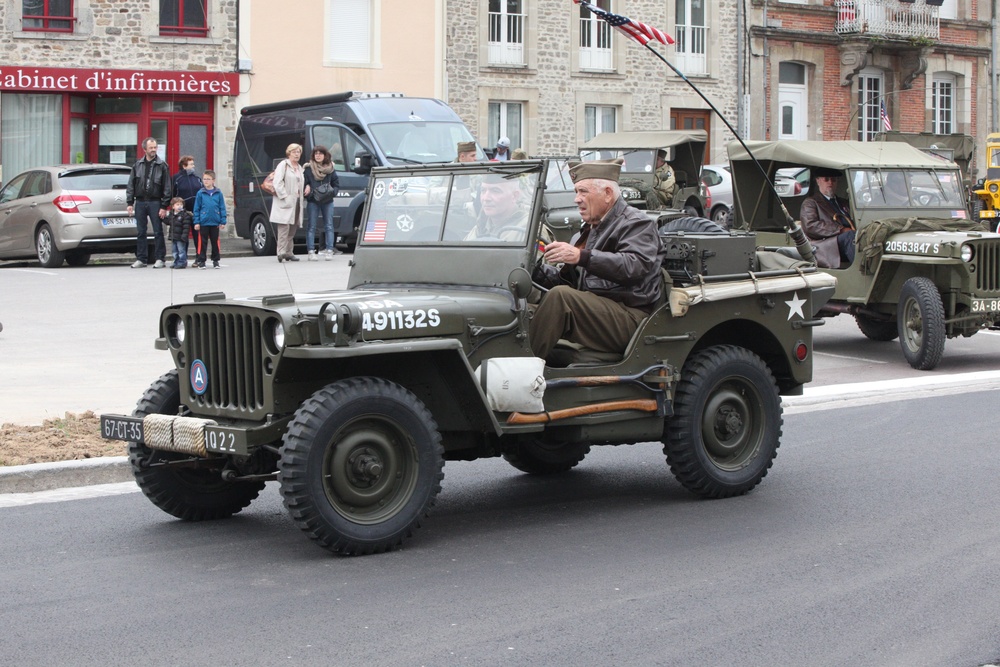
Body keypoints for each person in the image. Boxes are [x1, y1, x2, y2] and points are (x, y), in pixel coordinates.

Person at [529, 158, 664, 360]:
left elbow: (634, 266)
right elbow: (572, 282)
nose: (577, 199)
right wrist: (533, 269)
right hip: (599, 311)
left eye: (583, 192)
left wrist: (581, 256)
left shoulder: (636, 224)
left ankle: (521, 369)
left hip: (630, 317)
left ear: (608, 194)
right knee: (520, 308)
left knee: (560, 298)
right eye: (576, 192)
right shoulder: (588, 231)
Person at [126, 137, 171, 268]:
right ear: (144, 149)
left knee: (158, 231)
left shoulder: (162, 165)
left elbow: (167, 187)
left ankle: (160, 258)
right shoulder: (137, 165)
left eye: (155, 147)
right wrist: (129, 203)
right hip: (140, 202)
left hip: (155, 202)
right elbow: (131, 185)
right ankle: (141, 259)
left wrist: (164, 205)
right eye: (151, 147)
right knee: (141, 232)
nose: (153, 150)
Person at [800, 168, 856, 269]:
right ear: (818, 181)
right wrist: (841, 230)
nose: (830, 182)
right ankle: (861, 271)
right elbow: (810, 226)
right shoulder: (811, 203)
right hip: (825, 244)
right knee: (850, 236)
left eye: (833, 180)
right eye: (826, 179)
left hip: (847, 239)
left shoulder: (844, 203)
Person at [269, 143, 306, 262]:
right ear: (289, 153)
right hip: (285, 201)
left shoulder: (299, 168)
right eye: (294, 151)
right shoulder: (283, 165)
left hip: (297, 201)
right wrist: (284, 196)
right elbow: (277, 182)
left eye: (298, 152)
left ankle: (289, 252)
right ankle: (281, 252)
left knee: (293, 228)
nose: (296, 154)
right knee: (283, 228)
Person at [303, 145, 341, 260]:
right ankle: (311, 251)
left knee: (329, 225)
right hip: (313, 200)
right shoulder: (308, 169)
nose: (318, 155)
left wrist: (332, 193)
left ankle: (329, 250)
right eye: (316, 153)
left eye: (320, 153)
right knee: (311, 226)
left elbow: (336, 184)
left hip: (327, 200)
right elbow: (304, 184)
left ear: (325, 155)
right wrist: (309, 193)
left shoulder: (330, 168)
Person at [464, 175, 527, 242]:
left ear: (514, 196)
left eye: (495, 191)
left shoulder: (529, 229)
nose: (486, 198)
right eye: (483, 190)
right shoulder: (480, 227)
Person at [193, 170, 227, 269]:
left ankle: (216, 260)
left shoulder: (218, 193)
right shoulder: (200, 193)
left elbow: (222, 207)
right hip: (204, 221)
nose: (206, 181)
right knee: (202, 242)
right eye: (204, 179)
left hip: (215, 221)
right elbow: (197, 208)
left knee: (215, 242)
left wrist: (222, 220)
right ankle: (201, 260)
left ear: (213, 180)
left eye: (208, 179)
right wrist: (197, 221)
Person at [165, 197, 192, 269]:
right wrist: (163, 218)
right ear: (173, 206)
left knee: (181, 250)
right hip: (174, 236)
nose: (179, 206)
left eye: (181, 204)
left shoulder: (185, 215)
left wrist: (184, 236)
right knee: (174, 251)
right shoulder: (172, 214)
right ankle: (176, 261)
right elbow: (168, 222)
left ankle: (182, 262)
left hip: (181, 236)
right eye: (177, 204)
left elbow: (186, 227)